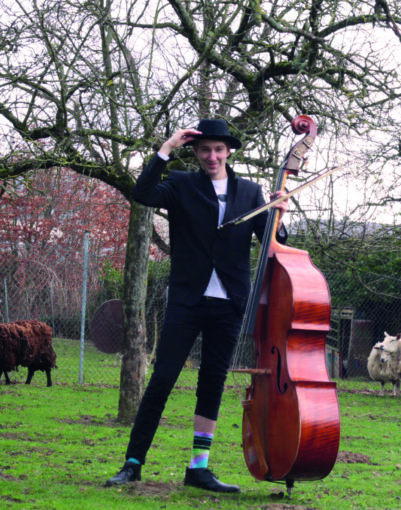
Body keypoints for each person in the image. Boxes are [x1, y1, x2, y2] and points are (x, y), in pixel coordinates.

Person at [104, 118, 288, 493]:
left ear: (229, 152)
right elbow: (143, 193)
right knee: (162, 380)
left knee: (212, 384)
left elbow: (272, 241)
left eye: (219, 149)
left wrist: (279, 214)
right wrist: (166, 148)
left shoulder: (250, 192)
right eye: (205, 149)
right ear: (196, 152)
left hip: (230, 303)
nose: (212, 156)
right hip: (188, 300)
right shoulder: (181, 184)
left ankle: (199, 468)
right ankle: (133, 463)